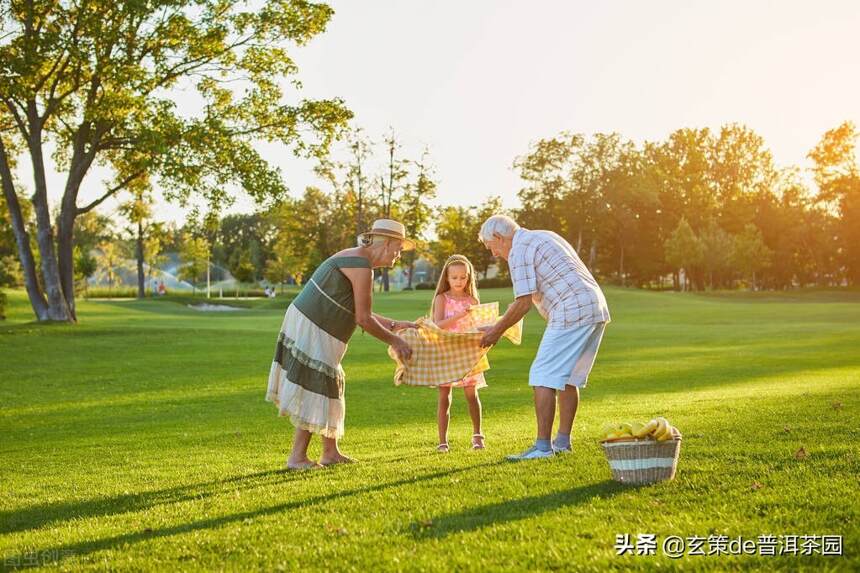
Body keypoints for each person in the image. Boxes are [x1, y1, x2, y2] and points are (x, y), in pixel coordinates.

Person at [266, 219, 417, 470]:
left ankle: (330, 452)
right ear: (387, 243)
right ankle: (297, 458)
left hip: (317, 324)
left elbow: (357, 311)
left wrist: (394, 325)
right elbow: (363, 319)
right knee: (317, 381)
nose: (399, 255)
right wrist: (395, 340)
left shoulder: (359, 260)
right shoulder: (361, 265)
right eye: (398, 248)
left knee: (330, 381)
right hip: (315, 326)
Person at [477, 215, 610, 461]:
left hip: (571, 310)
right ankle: (562, 442)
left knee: (542, 376)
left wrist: (494, 332)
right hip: (595, 307)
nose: (494, 254)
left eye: (491, 247)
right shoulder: (543, 235)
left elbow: (523, 303)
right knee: (568, 377)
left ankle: (542, 448)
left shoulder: (518, 250)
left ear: (498, 238)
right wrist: (497, 324)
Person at [430, 254, 486, 452]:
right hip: (447, 351)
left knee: (472, 395)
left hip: (468, 352)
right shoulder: (441, 298)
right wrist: (461, 314)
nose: (459, 281)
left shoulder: (472, 300)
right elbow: (438, 325)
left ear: (469, 277)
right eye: (454, 277)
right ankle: (443, 441)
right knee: (444, 396)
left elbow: (478, 326)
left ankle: (478, 436)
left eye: (463, 277)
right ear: (447, 278)